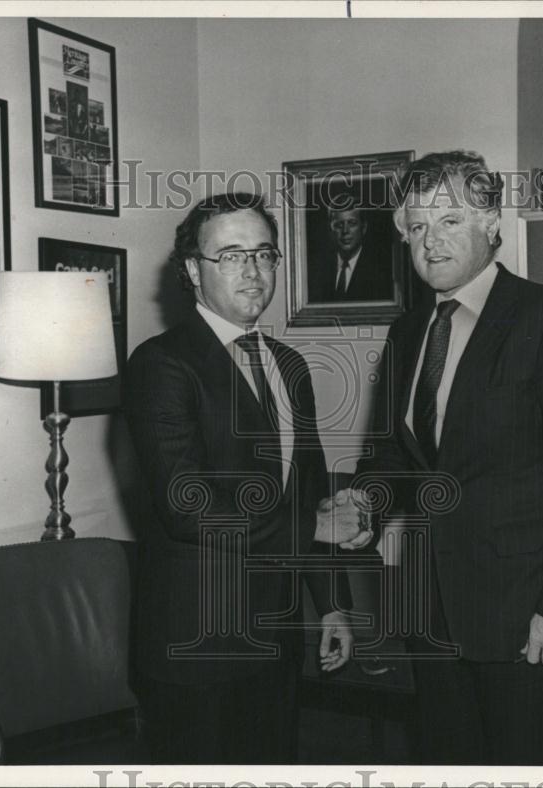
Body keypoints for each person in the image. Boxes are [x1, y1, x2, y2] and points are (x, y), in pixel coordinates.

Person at [352, 151, 543, 765]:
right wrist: (363, 500)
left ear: (491, 226)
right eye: (417, 227)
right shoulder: (408, 332)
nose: (430, 240)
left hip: (526, 616)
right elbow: (398, 456)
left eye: (449, 221)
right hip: (431, 607)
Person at [123, 192, 365, 764]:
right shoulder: (160, 364)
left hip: (275, 638)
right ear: (192, 271)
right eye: (230, 255)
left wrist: (331, 603)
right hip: (197, 647)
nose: (253, 270)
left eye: (263, 253)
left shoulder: (289, 365)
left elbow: (309, 488)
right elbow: (190, 505)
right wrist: (314, 529)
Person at [307, 200, 393, 303]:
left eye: (352, 223)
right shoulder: (318, 270)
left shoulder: (380, 271)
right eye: (339, 225)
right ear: (331, 229)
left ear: (364, 228)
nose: (345, 231)